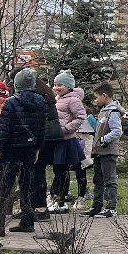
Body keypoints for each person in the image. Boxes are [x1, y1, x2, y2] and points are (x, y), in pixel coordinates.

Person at [0, 68, 49, 233]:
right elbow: (42, 128)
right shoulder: (41, 102)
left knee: (3, 186)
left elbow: (4, 129)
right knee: (27, 185)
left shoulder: (11, 102)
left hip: (11, 150)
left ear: (16, 85)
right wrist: (37, 148)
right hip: (29, 149)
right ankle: (27, 222)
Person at [47, 71, 88, 212]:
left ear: (68, 86)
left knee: (63, 170)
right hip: (56, 139)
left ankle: (62, 201)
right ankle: (57, 197)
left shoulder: (73, 100)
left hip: (66, 140)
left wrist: (66, 128)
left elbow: (81, 117)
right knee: (57, 170)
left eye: (60, 85)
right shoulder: (58, 98)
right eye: (55, 85)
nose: (56, 87)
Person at [85, 83, 124, 218]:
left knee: (109, 180)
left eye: (96, 97)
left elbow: (117, 131)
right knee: (98, 180)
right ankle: (97, 206)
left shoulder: (112, 112)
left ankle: (111, 207)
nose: (95, 100)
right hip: (99, 152)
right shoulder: (104, 110)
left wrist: (103, 140)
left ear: (104, 95)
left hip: (108, 151)